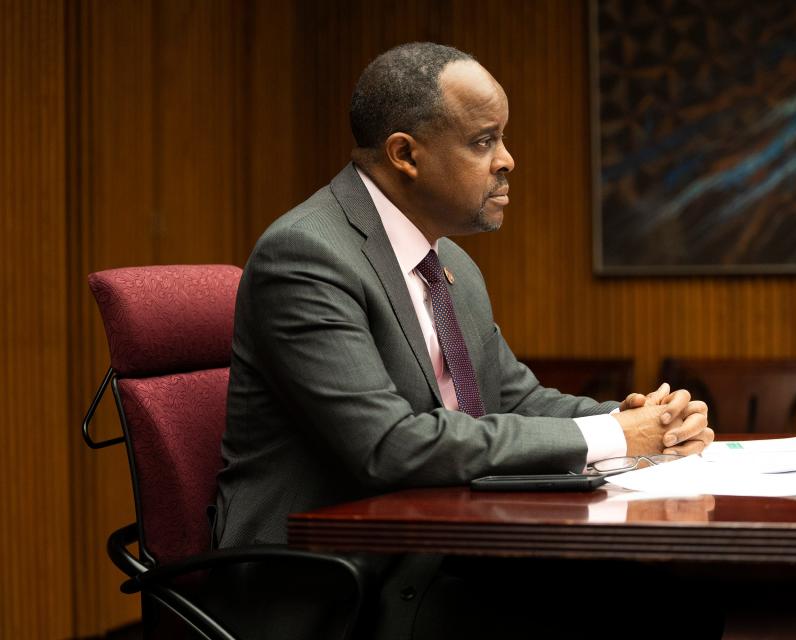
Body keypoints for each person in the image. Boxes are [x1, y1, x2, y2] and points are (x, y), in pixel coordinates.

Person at [213, 42, 718, 639]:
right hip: (336, 580)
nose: (508, 160)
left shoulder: (446, 260)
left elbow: (517, 399)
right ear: (406, 154)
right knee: (648, 618)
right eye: (483, 141)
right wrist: (612, 435)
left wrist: (643, 423)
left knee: (678, 602)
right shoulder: (307, 257)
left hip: (441, 547)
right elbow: (388, 447)